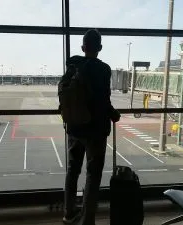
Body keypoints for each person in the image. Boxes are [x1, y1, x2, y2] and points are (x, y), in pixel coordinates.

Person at [59, 29, 121, 225]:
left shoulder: (72, 67)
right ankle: (87, 220)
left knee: (72, 171)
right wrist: (113, 114)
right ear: (100, 48)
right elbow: (103, 100)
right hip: (95, 131)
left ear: (83, 47)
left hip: (74, 127)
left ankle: (69, 213)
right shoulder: (103, 69)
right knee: (93, 176)